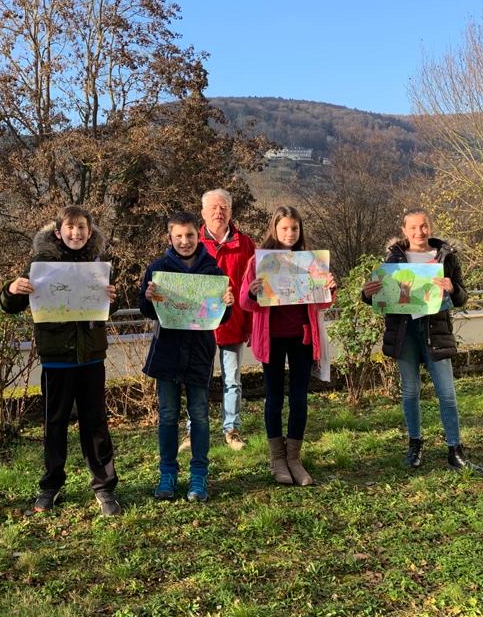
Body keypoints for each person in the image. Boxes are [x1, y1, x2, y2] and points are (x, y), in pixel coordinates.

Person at [0, 206, 122, 517]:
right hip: (56, 358)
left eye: (82, 227)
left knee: (96, 425)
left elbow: (109, 310)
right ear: (58, 231)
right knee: (55, 425)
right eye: (70, 227)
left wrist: (113, 299)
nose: (76, 233)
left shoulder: (100, 264)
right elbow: (11, 305)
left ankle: (104, 487)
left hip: (92, 357)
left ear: (89, 232)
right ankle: (51, 485)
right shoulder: (41, 263)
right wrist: (12, 290)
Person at [361, 208, 480, 472]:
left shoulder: (446, 257)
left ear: (431, 227)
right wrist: (368, 294)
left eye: (424, 226)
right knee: (410, 392)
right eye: (413, 227)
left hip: (435, 332)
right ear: (404, 231)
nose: (419, 232)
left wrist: (452, 288)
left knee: (447, 393)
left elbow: (462, 297)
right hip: (405, 334)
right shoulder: (392, 259)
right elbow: (379, 296)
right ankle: (415, 445)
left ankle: (455, 449)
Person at [139, 211, 234, 502]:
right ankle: (167, 473)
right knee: (167, 416)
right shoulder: (157, 269)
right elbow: (146, 311)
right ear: (170, 238)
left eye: (190, 235)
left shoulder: (213, 271)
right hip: (166, 352)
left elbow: (221, 317)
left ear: (199, 236)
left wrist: (227, 303)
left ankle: (199, 475)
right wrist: (148, 297)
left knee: (200, 417)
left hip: (198, 354)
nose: (184, 241)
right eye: (178, 236)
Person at [240, 206, 336, 486]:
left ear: (300, 230)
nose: (290, 233)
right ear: (274, 229)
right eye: (284, 228)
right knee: (273, 397)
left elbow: (322, 303)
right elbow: (246, 304)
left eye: (294, 228)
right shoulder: (258, 261)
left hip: (302, 337)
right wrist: (252, 292)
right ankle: (277, 459)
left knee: (299, 398)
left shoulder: (310, 261)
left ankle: (294, 457)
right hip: (271, 338)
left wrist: (329, 287)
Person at [188, 188, 255, 453]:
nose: (219, 212)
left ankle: (232, 429)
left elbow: (252, 287)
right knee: (197, 380)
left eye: (224, 207)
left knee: (232, 380)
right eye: (213, 207)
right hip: (198, 326)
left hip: (233, 323)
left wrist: (250, 324)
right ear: (203, 212)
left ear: (231, 211)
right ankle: (193, 430)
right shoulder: (191, 242)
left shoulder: (245, 244)